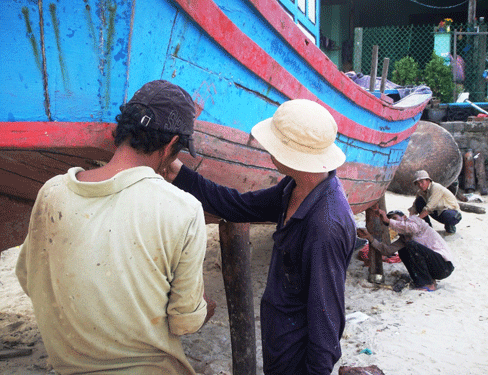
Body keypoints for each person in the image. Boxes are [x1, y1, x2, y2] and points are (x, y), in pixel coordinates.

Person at [16, 80, 214, 375]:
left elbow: (27, 276)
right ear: (172, 144)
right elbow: (184, 321)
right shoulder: (182, 208)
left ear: (122, 130)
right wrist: (206, 306)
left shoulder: (51, 191)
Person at [163, 99, 357, 374]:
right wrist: (180, 173)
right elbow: (240, 206)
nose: (268, 151)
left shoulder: (325, 226)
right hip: (280, 341)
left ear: (292, 155)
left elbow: (327, 315)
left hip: (298, 359)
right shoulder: (296, 187)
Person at [357, 208, 454, 292]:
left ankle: (428, 284)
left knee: (411, 245)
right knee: (403, 250)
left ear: (404, 217)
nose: (393, 223)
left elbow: (411, 228)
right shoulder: (405, 238)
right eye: (391, 220)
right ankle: (428, 280)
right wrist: (369, 237)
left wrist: (388, 221)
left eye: (394, 218)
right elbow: (387, 251)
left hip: (444, 266)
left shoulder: (415, 220)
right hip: (435, 270)